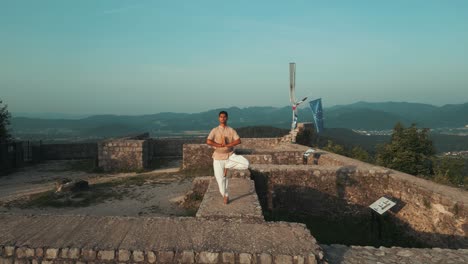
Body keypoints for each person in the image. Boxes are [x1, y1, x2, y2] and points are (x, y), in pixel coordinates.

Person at [206, 111, 241, 204]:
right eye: (221, 117)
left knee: (244, 165)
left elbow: (238, 140)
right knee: (219, 178)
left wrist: (228, 144)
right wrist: (219, 145)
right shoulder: (215, 130)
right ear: (219, 118)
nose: (222, 118)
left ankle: (225, 195)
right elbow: (208, 141)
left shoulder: (231, 130)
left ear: (227, 118)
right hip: (217, 156)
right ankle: (225, 195)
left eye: (224, 117)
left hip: (229, 155)